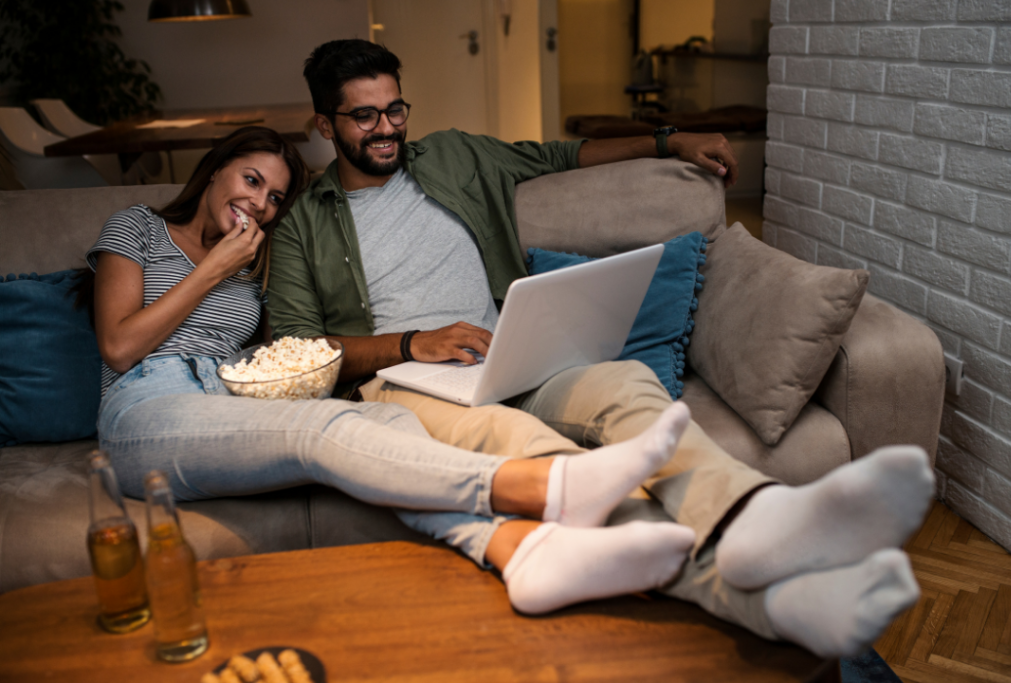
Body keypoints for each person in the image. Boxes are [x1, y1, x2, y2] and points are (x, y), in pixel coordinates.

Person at [265, 39, 935, 657]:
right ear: (326, 125)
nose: (387, 129)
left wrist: (669, 140)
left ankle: (753, 514)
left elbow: (562, 155)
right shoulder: (304, 224)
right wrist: (413, 342)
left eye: (395, 109)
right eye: (364, 118)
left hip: (509, 358)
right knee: (525, 442)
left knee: (623, 384)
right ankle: (770, 600)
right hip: (408, 385)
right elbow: (298, 348)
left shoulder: (453, 156)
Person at [87, 124, 712, 616]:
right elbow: (119, 346)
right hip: (146, 403)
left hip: (229, 397)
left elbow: (285, 348)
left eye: (274, 197)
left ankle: (518, 553)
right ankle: (546, 488)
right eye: (250, 181)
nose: (259, 205)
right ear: (215, 168)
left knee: (387, 419)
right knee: (320, 430)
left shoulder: (260, 262)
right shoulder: (140, 228)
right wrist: (215, 269)